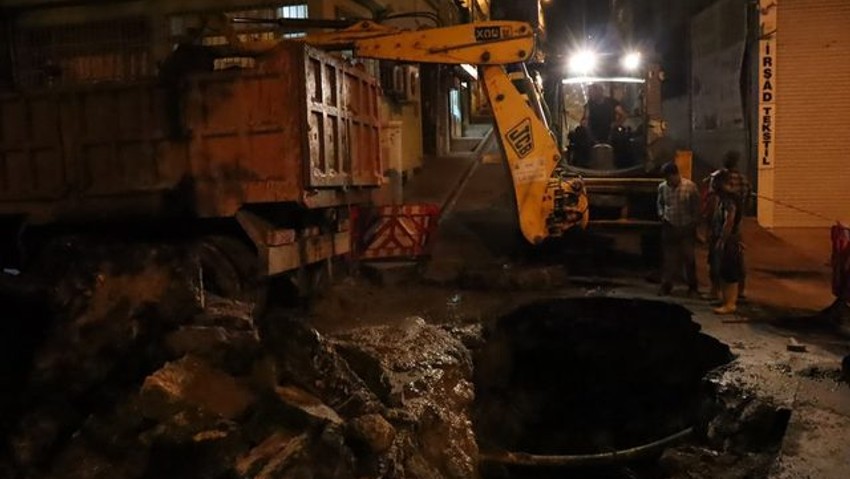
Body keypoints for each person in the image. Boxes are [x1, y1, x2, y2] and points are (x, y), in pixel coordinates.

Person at [657, 162, 701, 296]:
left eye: (669, 178)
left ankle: (693, 287)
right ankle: (666, 286)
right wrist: (662, 216)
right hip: (670, 226)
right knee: (669, 259)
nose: (668, 181)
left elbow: (696, 206)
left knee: (689, 258)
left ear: (676, 175)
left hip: (686, 227)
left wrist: (694, 223)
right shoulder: (663, 187)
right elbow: (660, 203)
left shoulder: (690, 187)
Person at [710, 172, 745, 314]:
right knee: (724, 271)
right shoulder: (725, 198)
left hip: (728, 239)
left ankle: (730, 303)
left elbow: (729, 220)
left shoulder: (729, 199)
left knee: (729, 271)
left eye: (713, 182)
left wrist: (722, 240)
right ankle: (726, 300)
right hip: (730, 238)